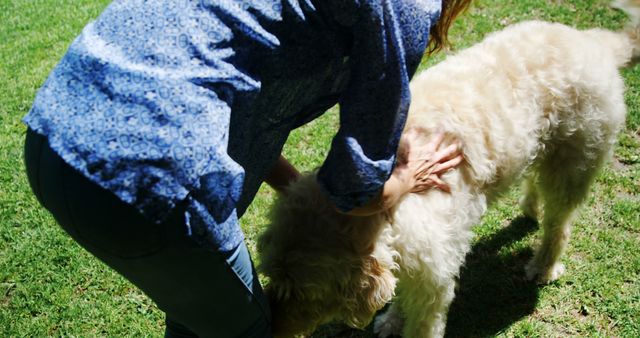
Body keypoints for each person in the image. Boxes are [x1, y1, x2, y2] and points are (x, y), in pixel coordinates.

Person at [22, 0, 471, 336]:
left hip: (53, 132)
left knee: (202, 319)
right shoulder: (402, 6)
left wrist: (299, 190)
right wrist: (407, 178)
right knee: (249, 331)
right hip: (150, 174)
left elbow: (237, 101)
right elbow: (357, 192)